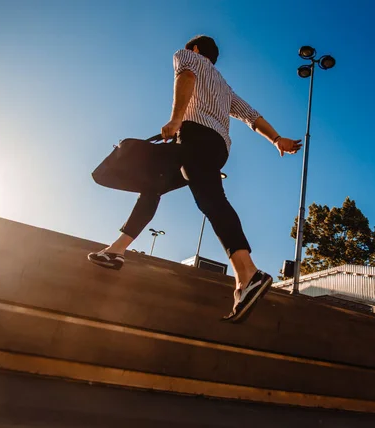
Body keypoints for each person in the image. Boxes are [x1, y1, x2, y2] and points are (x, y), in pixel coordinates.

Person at [89, 35, 302, 322]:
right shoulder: (225, 88)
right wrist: (276, 139)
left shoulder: (188, 57)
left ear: (197, 49)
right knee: (154, 186)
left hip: (193, 138)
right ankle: (116, 251)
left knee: (211, 199)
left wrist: (177, 119)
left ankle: (247, 273)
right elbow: (251, 116)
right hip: (216, 148)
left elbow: (186, 77)